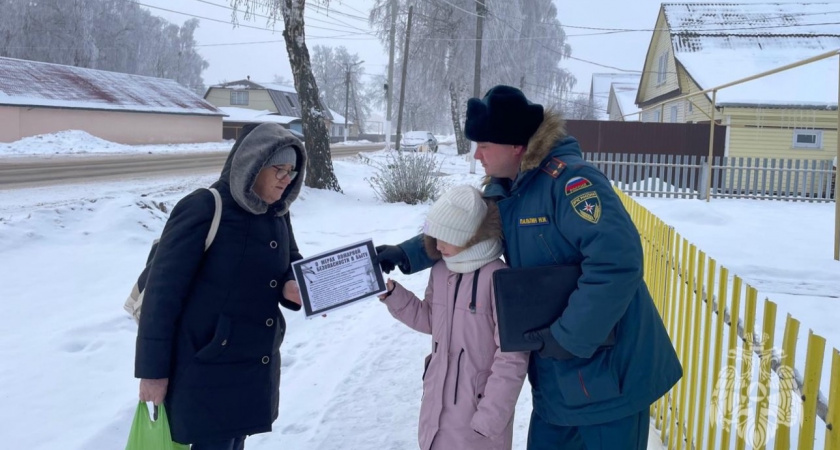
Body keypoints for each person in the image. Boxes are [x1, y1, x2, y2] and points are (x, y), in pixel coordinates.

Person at [374, 85, 683, 450]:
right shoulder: (509, 191)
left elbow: (617, 263)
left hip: (608, 373)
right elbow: (461, 230)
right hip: (557, 379)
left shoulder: (571, 184)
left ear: (516, 146)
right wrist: (406, 254)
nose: (477, 156)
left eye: (485, 146)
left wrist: (568, 335)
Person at [134, 122, 306, 449]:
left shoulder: (277, 212)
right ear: (253, 165)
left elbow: (290, 261)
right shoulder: (205, 207)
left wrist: (292, 284)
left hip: (252, 365)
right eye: (279, 169)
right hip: (205, 369)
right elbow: (161, 295)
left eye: (293, 171)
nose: (288, 179)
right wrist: (152, 373)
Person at [379, 184, 529, 450]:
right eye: (434, 237)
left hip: (477, 415)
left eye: (445, 237)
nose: (437, 246)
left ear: (468, 236)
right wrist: (394, 295)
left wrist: (490, 418)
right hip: (437, 409)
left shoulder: (499, 278)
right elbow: (431, 320)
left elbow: (512, 356)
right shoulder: (441, 271)